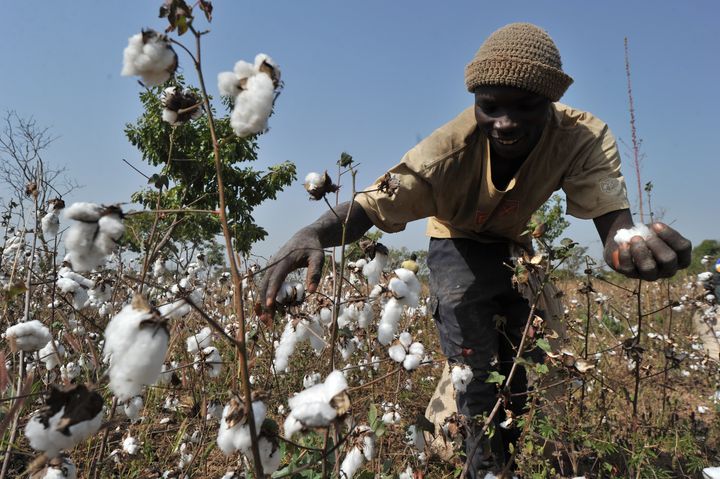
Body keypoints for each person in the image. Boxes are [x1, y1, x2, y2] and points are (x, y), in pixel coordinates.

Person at [259, 23, 691, 476]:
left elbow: (614, 226)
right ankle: (482, 465)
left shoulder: (581, 137)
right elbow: (372, 203)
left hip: (515, 245)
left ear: (550, 103)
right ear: (476, 103)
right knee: (474, 365)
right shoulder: (445, 152)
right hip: (455, 243)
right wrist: (313, 231)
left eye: (525, 107)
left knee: (526, 358)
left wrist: (627, 247)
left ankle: (507, 453)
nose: (505, 123)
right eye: (490, 107)